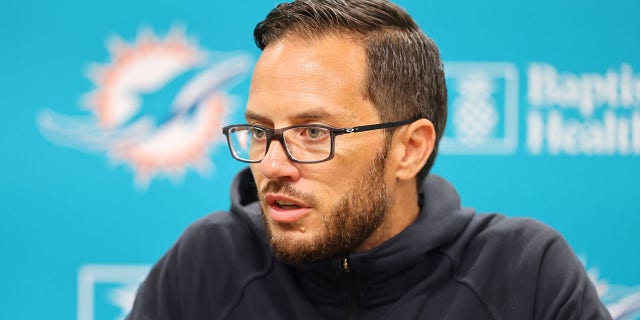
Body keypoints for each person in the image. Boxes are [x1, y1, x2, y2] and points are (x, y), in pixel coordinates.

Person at [127, 0, 612, 319]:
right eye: (259, 131)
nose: (273, 167)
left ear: (410, 149)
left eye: (313, 133)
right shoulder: (207, 265)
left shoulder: (525, 273)